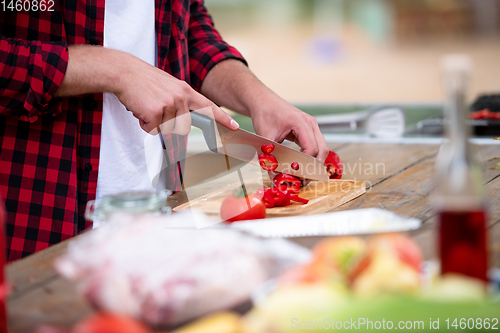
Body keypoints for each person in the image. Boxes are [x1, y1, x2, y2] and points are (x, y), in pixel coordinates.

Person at [0, 0, 328, 261]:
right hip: (32, 233)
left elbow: (191, 32)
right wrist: (114, 69)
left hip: (158, 228)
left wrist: (258, 98)